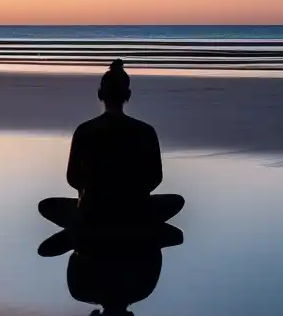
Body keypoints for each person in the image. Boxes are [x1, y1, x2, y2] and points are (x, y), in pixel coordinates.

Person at [38, 59, 184, 230]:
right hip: (135, 209)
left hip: (93, 209)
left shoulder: (84, 131)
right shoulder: (146, 131)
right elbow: (155, 178)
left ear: (100, 94)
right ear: (127, 95)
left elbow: (73, 177)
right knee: (175, 201)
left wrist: (88, 192)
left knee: (47, 206)